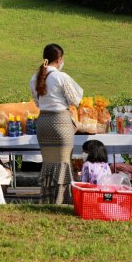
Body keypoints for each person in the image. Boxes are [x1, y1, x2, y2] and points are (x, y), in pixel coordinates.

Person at [29, 43, 83, 204]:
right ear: (59, 59)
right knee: (63, 163)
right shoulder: (61, 77)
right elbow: (75, 100)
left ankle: (47, 198)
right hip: (60, 123)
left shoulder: (35, 77)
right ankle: (62, 200)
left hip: (43, 122)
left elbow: (37, 103)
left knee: (49, 163)